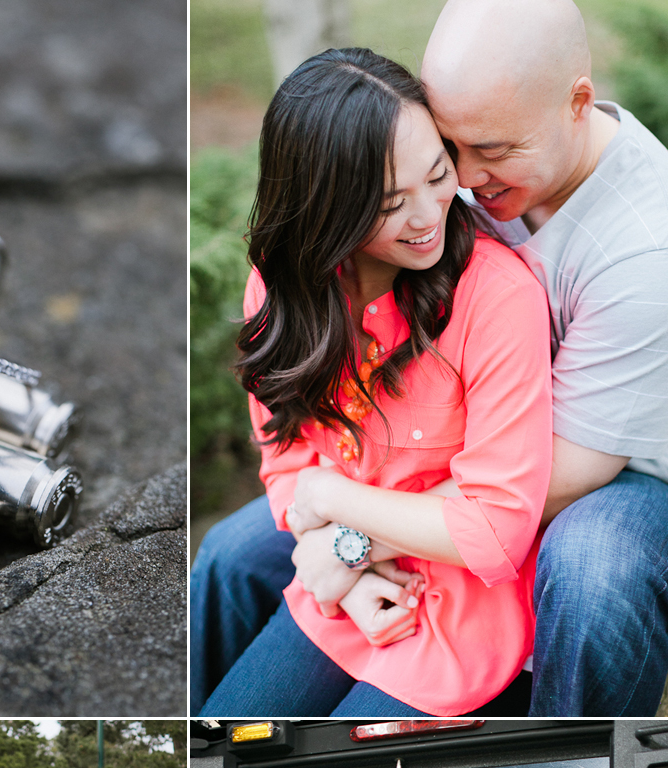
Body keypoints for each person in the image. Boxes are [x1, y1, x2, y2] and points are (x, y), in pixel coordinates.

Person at [191, 0, 668, 718]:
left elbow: (542, 484)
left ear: (578, 104)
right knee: (231, 555)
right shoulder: (445, 191)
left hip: (612, 474)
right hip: (423, 461)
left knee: (592, 567)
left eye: (493, 153)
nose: (466, 187)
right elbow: (292, 458)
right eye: (454, 147)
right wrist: (334, 547)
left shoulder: (643, 252)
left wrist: (341, 532)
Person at [198, 46, 553, 718]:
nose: (428, 216)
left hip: (462, 611)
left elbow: (495, 525)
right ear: (325, 208)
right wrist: (334, 569)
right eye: (390, 202)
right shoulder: (283, 289)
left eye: (438, 174)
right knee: (223, 737)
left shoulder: (498, 297)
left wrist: (332, 508)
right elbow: (286, 461)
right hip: (336, 593)